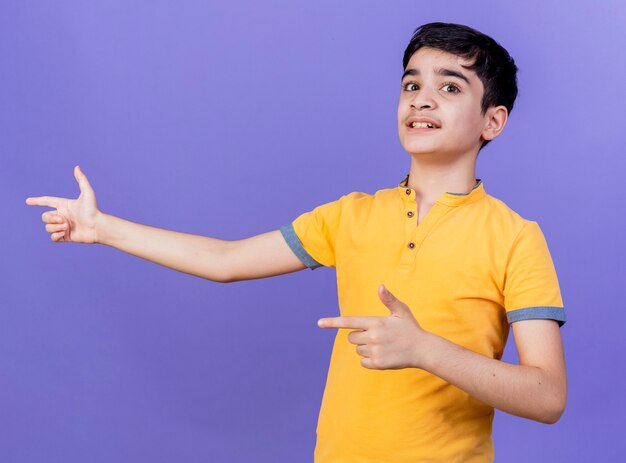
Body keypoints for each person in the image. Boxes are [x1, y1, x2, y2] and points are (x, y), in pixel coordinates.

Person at [26, 22, 567, 463]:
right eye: (411, 84)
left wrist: (425, 350)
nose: (422, 99)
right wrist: (103, 229)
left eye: (450, 87)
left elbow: (547, 397)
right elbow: (227, 260)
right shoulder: (349, 216)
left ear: (492, 121)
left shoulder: (517, 238)